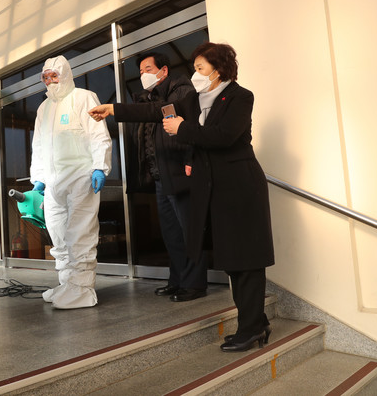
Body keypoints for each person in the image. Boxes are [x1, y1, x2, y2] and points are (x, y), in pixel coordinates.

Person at [88, 42, 274, 352]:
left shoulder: (240, 97)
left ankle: (252, 327)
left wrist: (183, 128)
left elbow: (224, 137)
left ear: (219, 69)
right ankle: (255, 322)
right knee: (232, 261)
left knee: (246, 260)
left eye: (200, 68)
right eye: (195, 67)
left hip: (241, 188)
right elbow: (155, 110)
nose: (195, 73)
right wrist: (113, 109)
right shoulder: (194, 100)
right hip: (215, 190)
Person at [30, 55, 112, 309]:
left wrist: (100, 167)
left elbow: (98, 134)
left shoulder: (84, 97)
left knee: (80, 233)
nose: (50, 80)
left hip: (80, 177)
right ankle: (67, 283)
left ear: (65, 74)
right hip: (53, 181)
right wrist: (39, 179)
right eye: (46, 77)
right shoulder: (44, 108)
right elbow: (38, 145)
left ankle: (83, 290)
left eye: (54, 75)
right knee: (58, 233)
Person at [133, 52, 207, 301]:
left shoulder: (181, 91)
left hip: (180, 171)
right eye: (140, 72)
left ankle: (195, 284)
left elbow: (192, 128)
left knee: (189, 230)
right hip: (160, 175)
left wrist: (189, 160)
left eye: (148, 69)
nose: (143, 75)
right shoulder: (149, 99)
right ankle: (178, 280)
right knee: (171, 232)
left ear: (163, 70)